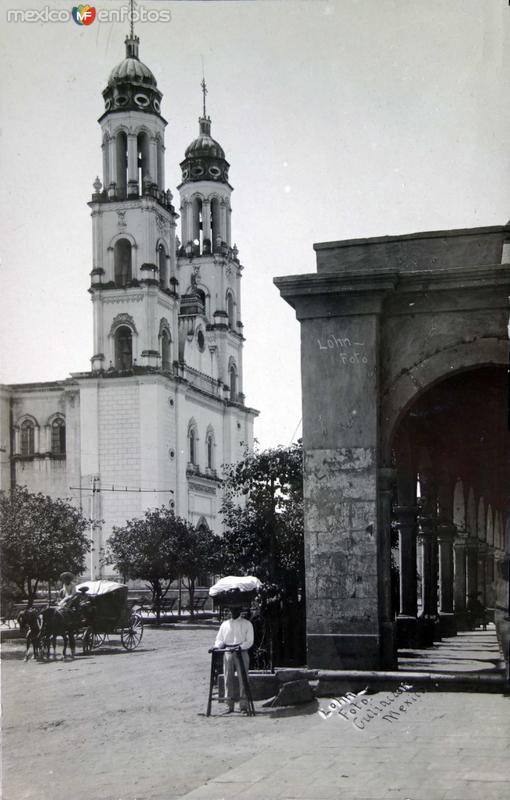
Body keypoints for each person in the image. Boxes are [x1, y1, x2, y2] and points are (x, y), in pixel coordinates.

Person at [213, 606, 254, 714]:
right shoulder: (225, 624)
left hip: (241, 651)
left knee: (243, 678)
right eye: (231, 609)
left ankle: (243, 706)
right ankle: (229, 705)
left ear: (240, 611)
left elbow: (250, 641)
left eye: (236, 609)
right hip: (227, 652)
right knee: (227, 678)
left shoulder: (247, 624)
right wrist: (217, 646)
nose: (233, 611)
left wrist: (240, 647)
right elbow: (220, 639)